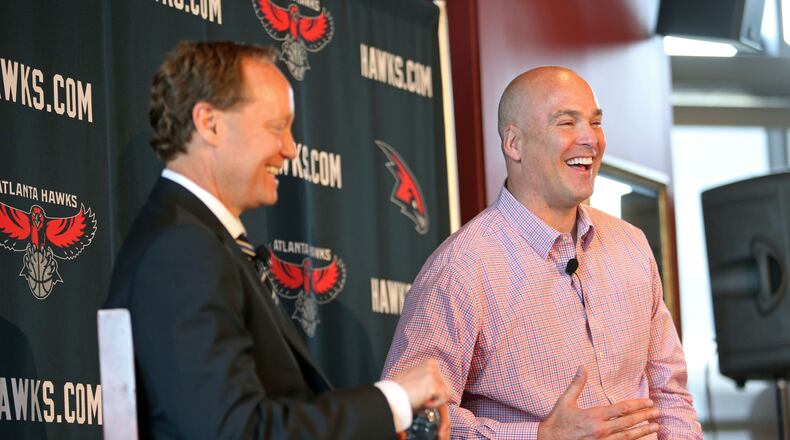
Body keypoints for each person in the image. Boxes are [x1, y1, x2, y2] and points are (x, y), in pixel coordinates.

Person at [103, 41, 448, 439]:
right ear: (209, 124)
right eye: (276, 127)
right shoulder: (183, 250)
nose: (289, 148)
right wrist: (393, 401)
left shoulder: (199, 242)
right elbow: (235, 431)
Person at [381, 66, 703, 439]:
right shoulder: (461, 269)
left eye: (595, 123)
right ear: (514, 143)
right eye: (566, 123)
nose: (590, 140)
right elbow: (414, 421)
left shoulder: (632, 244)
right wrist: (539, 437)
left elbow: (670, 393)